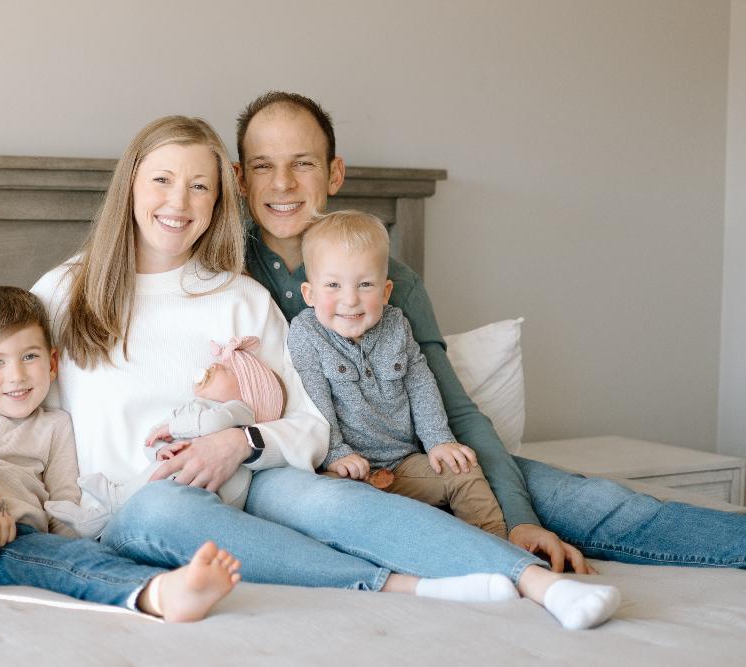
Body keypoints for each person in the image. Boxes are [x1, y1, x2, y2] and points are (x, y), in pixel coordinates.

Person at [32, 114, 622, 630]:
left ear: (219, 201)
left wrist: (237, 442)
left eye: (200, 186)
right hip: (129, 509)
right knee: (164, 507)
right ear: (130, 183)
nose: (178, 201)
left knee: (328, 500)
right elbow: (12, 419)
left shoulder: (238, 297)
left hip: (251, 482)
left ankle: (537, 583)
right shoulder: (63, 294)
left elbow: (311, 422)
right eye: (161, 179)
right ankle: (403, 585)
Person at [235, 90, 746, 570]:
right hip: (315, 480)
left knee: (588, 500)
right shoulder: (223, 277)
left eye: (303, 163)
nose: (282, 184)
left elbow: (454, 408)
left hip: (419, 462)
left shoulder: (395, 284)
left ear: (334, 172)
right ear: (240, 179)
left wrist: (519, 517)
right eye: (263, 166)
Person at [0, 285, 241, 622]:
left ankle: (161, 593)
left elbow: (63, 505)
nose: (16, 375)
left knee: (80, 557)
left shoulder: (55, 425)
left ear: (52, 363)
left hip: (15, 544)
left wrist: (70, 548)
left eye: (30, 357)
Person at [288, 210, 506, 538]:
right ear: (310, 293)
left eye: (365, 285)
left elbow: (420, 382)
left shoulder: (396, 324)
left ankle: (497, 550)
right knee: (327, 503)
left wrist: (439, 441)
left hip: (404, 464)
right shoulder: (306, 332)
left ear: (386, 291)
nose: (350, 299)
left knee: (464, 470)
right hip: (344, 470)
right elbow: (311, 397)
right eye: (333, 284)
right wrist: (335, 452)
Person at [144, 335, 285, 509]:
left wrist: (172, 428)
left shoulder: (241, 411)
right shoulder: (191, 408)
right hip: (162, 483)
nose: (215, 364)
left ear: (247, 394)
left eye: (228, 371)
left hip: (202, 498)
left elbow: (213, 422)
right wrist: (159, 451)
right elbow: (152, 437)